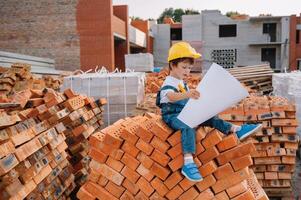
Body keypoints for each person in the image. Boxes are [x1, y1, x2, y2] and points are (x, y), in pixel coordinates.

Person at [156, 42, 262, 182]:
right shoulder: (169, 82)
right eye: (184, 67)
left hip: (185, 111)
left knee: (210, 117)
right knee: (187, 126)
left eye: (189, 68)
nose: (187, 71)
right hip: (173, 115)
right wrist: (187, 95)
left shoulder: (181, 82)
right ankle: (188, 162)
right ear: (172, 65)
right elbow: (170, 96)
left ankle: (235, 129)